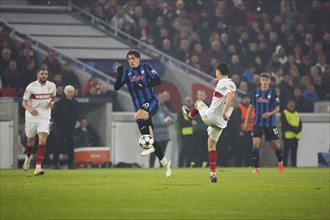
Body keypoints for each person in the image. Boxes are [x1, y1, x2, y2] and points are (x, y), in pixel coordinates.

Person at [114, 49, 171, 177]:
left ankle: (150, 147)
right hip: (139, 108)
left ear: (139, 59)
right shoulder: (127, 73)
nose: (131, 61)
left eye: (133, 58)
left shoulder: (146, 67)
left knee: (139, 115)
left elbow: (158, 80)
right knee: (150, 140)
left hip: (151, 102)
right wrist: (119, 74)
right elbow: (116, 87)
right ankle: (165, 162)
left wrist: (143, 84)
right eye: (129, 59)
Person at [182, 63, 236, 183]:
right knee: (211, 146)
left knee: (198, 102)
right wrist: (227, 114)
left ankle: (190, 116)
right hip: (221, 123)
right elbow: (231, 98)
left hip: (212, 117)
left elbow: (230, 98)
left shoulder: (222, 83)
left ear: (218, 72)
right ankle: (212, 173)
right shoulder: (231, 84)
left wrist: (224, 112)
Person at [244, 72, 284, 174]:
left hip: (270, 123)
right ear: (260, 81)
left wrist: (269, 113)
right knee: (256, 143)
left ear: (269, 82)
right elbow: (250, 108)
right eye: (263, 80)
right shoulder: (255, 93)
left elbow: (277, 108)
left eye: (267, 80)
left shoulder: (273, 93)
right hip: (258, 123)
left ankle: (280, 163)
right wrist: (246, 122)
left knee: (276, 145)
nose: (265, 82)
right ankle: (256, 168)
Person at [22, 67, 56, 175]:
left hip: (45, 116)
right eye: (42, 74)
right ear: (37, 75)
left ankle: (38, 168)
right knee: (30, 142)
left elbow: (53, 97)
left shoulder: (52, 86)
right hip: (32, 116)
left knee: (42, 141)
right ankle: (28, 156)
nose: (44, 76)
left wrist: (52, 103)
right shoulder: (31, 87)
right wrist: (30, 109)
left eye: (46, 74)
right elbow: (24, 103)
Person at [52, 85, 79, 169]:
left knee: (71, 146)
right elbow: (55, 116)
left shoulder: (75, 103)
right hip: (60, 129)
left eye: (71, 92)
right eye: (69, 92)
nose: (70, 94)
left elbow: (76, 115)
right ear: (65, 92)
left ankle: (71, 163)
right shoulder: (58, 103)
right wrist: (62, 126)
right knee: (58, 146)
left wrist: (73, 125)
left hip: (70, 129)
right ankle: (55, 163)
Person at [149, 93, 174, 168]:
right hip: (156, 135)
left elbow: (171, 116)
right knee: (153, 152)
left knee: (162, 153)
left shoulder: (164, 108)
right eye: (160, 98)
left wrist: (171, 121)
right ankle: (151, 166)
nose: (161, 100)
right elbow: (153, 122)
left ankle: (161, 167)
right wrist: (165, 123)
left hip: (165, 135)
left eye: (162, 98)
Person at [232, 95, 255, 167]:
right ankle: (238, 165)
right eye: (245, 99)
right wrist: (239, 131)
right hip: (242, 132)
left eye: (248, 99)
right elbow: (236, 121)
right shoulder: (239, 109)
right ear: (242, 100)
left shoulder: (253, 109)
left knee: (250, 149)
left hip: (251, 132)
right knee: (240, 150)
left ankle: (248, 165)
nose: (246, 100)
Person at [280, 99, 302, 167]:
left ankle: (294, 165)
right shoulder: (284, 113)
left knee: (294, 152)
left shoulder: (296, 113)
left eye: (293, 105)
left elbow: (300, 123)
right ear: (287, 105)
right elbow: (285, 124)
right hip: (287, 135)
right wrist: (294, 129)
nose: (292, 106)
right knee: (286, 152)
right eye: (290, 105)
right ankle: (284, 165)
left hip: (295, 136)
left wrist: (298, 129)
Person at [177, 96, 193, 167]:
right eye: (187, 101)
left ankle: (188, 165)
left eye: (189, 101)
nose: (188, 102)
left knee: (190, 151)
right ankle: (180, 165)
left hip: (193, 134)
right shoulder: (181, 110)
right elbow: (180, 122)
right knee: (183, 151)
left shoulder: (193, 109)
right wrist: (191, 123)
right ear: (184, 101)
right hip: (185, 133)